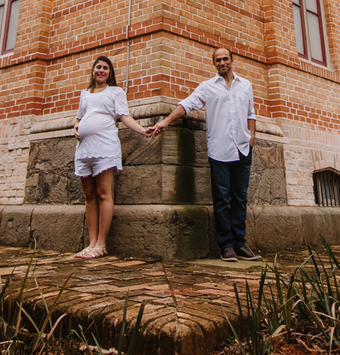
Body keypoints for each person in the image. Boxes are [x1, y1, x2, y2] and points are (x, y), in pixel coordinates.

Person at [150, 46, 259, 262]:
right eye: (218, 60)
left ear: (232, 60)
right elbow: (187, 104)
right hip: (219, 150)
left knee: (240, 198)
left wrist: (252, 136)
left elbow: (251, 113)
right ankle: (226, 246)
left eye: (225, 59)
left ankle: (239, 244)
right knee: (221, 199)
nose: (222, 63)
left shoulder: (245, 85)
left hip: (243, 149)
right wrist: (166, 120)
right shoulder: (207, 87)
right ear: (214, 63)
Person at [72, 55, 149, 258]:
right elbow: (80, 117)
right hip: (84, 148)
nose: (101, 70)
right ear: (93, 70)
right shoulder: (85, 94)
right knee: (89, 196)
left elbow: (124, 116)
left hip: (105, 147)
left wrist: (142, 131)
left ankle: (101, 245)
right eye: (98, 67)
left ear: (110, 72)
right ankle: (91, 243)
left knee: (103, 193)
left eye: (105, 68)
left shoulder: (116, 92)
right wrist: (76, 126)